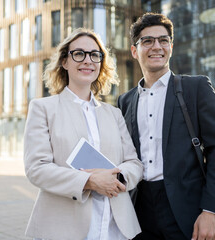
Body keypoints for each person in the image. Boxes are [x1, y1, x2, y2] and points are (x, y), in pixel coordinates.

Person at [117, 13, 215, 240]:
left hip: (189, 209)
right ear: (135, 51)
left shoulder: (196, 88)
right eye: (148, 41)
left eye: (163, 40)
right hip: (140, 212)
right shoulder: (125, 101)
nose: (157, 47)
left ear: (171, 46)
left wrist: (212, 209)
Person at [24, 28, 143, 240]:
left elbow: (134, 163)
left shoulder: (114, 114)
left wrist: (115, 177)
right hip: (65, 227)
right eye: (79, 54)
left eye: (95, 55)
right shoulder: (43, 108)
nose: (87, 60)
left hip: (115, 227)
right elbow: (37, 169)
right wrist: (89, 181)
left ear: (101, 63)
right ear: (64, 62)